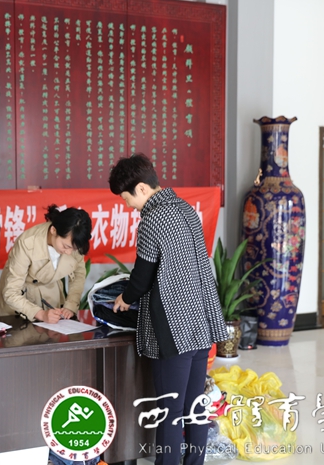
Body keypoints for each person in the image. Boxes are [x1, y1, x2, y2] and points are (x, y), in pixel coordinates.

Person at [108, 153, 228, 465]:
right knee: (195, 407)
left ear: (141, 189)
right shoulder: (186, 209)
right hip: (200, 324)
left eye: (127, 199)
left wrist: (124, 298)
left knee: (170, 412)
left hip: (174, 330)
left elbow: (143, 275)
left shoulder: (152, 219)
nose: (129, 206)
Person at [0, 205, 92, 323]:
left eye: (74, 249)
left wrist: (71, 305)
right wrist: (40, 314)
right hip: (18, 304)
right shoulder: (27, 242)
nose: (69, 252)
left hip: (51, 297)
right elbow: (11, 292)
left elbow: (78, 274)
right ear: (53, 230)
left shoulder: (75, 241)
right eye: (66, 247)